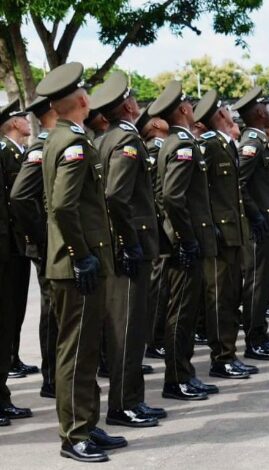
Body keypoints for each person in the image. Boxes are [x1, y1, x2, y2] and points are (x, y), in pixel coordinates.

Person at [37, 62, 125, 462]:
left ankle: (86, 423)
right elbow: (62, 206)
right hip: (77, 267)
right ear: (83, 100)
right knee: (75, 352)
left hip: (77, 262)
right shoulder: (71, 142)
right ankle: (73, 436)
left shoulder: (62, 137)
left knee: (87, 348)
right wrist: (80, 255)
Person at [91, 71, 166, 426]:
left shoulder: (105, 139)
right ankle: (123, 405)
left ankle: (131, 399)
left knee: (127, 328)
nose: (138, 103)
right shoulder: (127, 140)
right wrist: (129, 242)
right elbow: (116, 196)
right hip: (128, 248)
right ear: (127, 105)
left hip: (121, 245)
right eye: (133, 98)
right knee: (128, 330)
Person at [148, 80, 219, 400]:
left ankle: (182, 375)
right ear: (184, 110)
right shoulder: (182, 145)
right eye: (189, 104)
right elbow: (173, 198)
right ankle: (177, 379)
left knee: (185, 311)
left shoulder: (175, 143)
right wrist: (184, 238)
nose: (192, 108)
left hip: (182, 238)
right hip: (184, 242)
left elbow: (166, 196)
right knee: (182, 312)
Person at [193, 89, 259, 378]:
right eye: (227, 111)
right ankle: (221, 357)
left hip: (233, 231)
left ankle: (229, 352)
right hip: (219, 233)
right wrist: (212, 228)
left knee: (231, 295)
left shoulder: (225, 144)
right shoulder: (208, 146)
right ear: (221, 115)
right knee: (219, 297)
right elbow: (201, 195)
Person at [233, 86, 269, 360]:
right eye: (266, 108)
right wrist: (254, 215)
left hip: (267, 223)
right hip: (258, 227)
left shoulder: (262, 141)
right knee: (256, 284)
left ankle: (261, 334)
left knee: (264, 283)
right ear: (258, 112)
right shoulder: (251, 143)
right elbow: (238, 183)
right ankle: (253, 341)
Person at [9, 96, 58, 398]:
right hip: (48, 245)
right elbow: (21, 198)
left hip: (52, 243)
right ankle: (51, 378)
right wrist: (41, 237)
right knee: (52, 313)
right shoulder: (41, 148)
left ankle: (55, 377)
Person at [0, 101, 34, 428]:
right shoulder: (3, 152)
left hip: (14, 249)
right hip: (6, 251)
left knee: (10, 320)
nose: (27, 120)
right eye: (21, 116)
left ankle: (2, 397)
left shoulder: (14, 153)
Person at [136, 106, 171, 361]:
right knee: (157, 286)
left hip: (157, 226)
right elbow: (158, 193)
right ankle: (152, 339)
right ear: (154, 126)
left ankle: (155, 337)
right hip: (157, 227)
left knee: (161, 286)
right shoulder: (155, 150)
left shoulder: (156, 149)